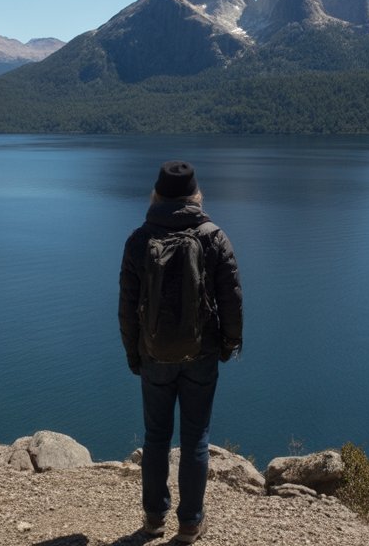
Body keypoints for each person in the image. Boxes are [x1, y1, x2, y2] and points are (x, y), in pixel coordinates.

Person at [119, 160, 243, 543]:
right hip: (201, 354)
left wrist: (134, 353)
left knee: (156, 437)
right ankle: (190, 522)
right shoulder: (214, 236)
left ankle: (154, 518)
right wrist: (228, 344)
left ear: (156, 195)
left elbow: (127, 305)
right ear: (196, 195)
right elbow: (232, 300)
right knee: (196, 438)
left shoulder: (139, 240)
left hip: (154, 354)